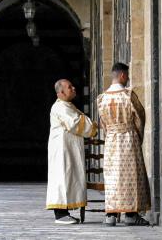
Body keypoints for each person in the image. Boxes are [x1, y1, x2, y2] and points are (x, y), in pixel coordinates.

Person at [97, 62, 151, 226]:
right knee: (131, 177)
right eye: (126, 76)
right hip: (128, 139)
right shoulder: (128, 95)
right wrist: (138, 135)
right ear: (122, 75)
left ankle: (111, 215)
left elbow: (103, 123)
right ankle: (131, 215)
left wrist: (111, 133)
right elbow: (140, 117)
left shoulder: (102, 98)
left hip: (112, 141)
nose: (127, 79)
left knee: (113, 177)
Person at [46, 79, 98, 224]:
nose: (73, 88)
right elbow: (76, 123)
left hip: (67, 149)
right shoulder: (61, 107)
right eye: (70, 87)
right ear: (61, 92)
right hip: (62, 151)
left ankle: (64, 212)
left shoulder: (67, 105)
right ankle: (60, 214)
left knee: (67, 178)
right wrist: (93, 126)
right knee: (62, 179)